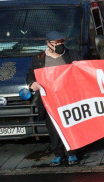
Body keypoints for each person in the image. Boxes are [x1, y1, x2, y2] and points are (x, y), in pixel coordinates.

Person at [26, 31, 82, 166]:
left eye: (62, 42)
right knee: (53, 129)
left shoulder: (72, 55)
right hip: (49, 100)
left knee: (70, 126)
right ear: (48, 43)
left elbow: (82, 70)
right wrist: (32, 83)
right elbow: (30, 74)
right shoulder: (39, 58)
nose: (60, 45)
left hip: (68, 98)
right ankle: (58, 154)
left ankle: (71, 153)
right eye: (56, 43)